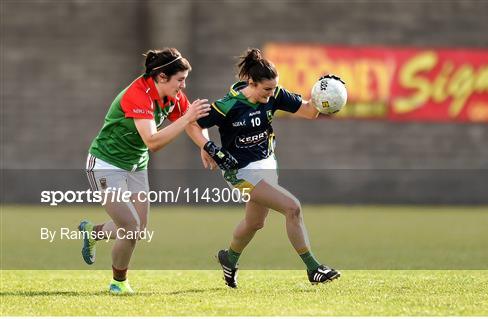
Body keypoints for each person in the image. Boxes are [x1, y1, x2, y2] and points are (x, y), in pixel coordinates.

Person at [186, 48, 341, 288]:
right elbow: (192, 123)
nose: (271, 95)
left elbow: (310, 112)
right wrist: (207, 146)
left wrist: (323, 92)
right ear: (251, 82)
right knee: (293, 208)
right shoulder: (228, 105)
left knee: (255, 223)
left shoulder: (276, 94)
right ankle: (313, 269)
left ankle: (229, 258)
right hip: (240, 172)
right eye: (266, 89)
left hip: (267, 165)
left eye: (273, 89)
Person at [80, 48, 210, 294]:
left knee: (138, 229)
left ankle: (92, 232)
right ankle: (118, 283)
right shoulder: (138, 95)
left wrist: (206, 146)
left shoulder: (170, 95)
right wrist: (186, 119)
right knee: (130, 227)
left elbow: (192, 121)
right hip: (106, 164)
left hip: (136, 164)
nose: (183, 86)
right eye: (180, 80)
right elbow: (153, 142)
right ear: (162, 77)